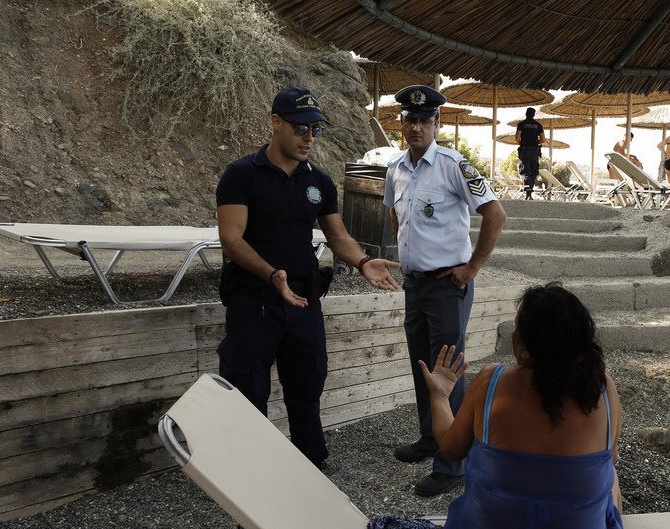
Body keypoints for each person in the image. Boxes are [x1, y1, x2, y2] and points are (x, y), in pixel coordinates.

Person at [216, 87, 399, 469]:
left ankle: (311, 464)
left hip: (303, 300)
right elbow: (231, 239)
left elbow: (338, 236)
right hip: (254, 300)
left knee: (307, 384)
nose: (309, 138)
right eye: (301, 128)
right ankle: (250, 472)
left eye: (315, 130)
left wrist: (364, 262)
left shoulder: (320, 182)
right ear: (276, 122)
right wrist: (272, 274)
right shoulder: (241, 174)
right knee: (247, 390)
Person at [419, 283, 629, 529]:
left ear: (521, 343)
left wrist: (439, 394)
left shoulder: (492, 381)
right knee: (608, 469)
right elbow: (608, 458)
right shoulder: (603, 388)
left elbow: (450, 450)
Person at [384, 85, 507, 497]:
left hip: (446, 286)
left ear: (437, 124)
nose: (416, 126)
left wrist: (472, 267)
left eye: (424, 120)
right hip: (415, 285)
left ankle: (452, 461)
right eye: (409, 119)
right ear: (401, 122)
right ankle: (430, 437)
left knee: (447, 372)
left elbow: (495, 213)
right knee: (423, 365)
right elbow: (392, 214)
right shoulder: (396, 168)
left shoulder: (455, 165)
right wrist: (408, 254)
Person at [514, 107, 546, 199]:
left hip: (525, 150)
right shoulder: (538, 125)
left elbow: (517, 138)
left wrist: (523, 143)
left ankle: (528, 192)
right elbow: (543, 139)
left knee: (525, 171)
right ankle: (530, 192)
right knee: (534, 171)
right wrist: (535, 143)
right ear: (534, 114)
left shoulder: (521, 124)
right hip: (535, 151)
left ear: (526, 114)